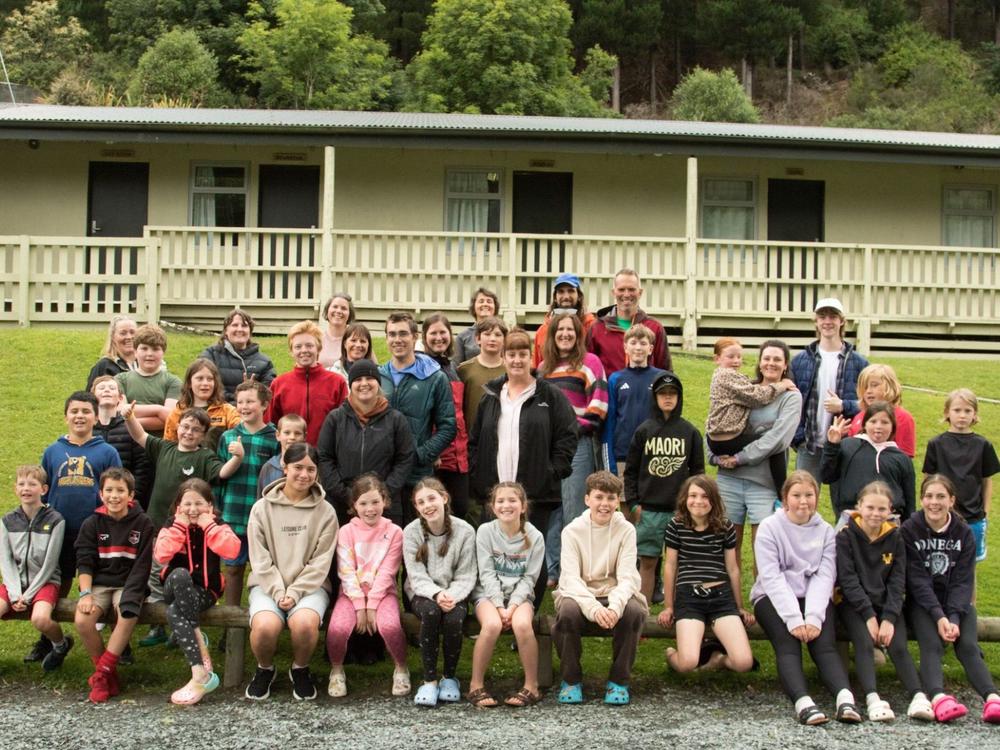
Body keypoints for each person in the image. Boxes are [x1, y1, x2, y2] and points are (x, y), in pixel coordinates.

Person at [468, 328, 578, 605]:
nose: (517, 360)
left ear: (532, 358)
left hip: (536, 493)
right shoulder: (491, 395)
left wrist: (552, 472)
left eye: (522, 354)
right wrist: (477, 473)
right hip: (495, 493)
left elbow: (567, 436)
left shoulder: (550, 396)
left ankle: (527, 611)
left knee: (531, 558)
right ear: (504, 358)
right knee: (494, 556)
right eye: (511, 354)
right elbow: (475, 440)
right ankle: (495, 607)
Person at [124, 403, 242, 647]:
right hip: (159, 523)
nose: (189, 432)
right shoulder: (164, 448)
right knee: (156, 573)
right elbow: (139, 435)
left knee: (185, 573)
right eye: (185, 427)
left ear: (203, 434)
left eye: (195, 429)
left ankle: (180, 626)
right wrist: (129, 417)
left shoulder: (204, 456)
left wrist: (237, 457)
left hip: (190, 531)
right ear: (177, 427)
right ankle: (158, 625)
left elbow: (223, 473)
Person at [751, 470, 861, 725]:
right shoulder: (769, 528)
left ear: (817, 497)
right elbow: (771, 576)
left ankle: (845, 699)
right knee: (787, 645)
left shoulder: (825, 531)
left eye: (809, 495)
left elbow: (824, 576)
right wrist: (793, 619)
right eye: (796, 495)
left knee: (824, 644)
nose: (803, 501)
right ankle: (803, 703)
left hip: (812, 596)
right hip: (772, 596)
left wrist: (812, 617)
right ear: (785, 499)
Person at [902, 475, 1000, 724]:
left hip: (957, 603)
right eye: (929, 496)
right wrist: (939, 616)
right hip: (923, 603)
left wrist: (954, 617)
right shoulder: (910, 529)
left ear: (952, 500)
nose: (934, 502)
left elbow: (963, 581)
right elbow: (916, 580)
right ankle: (938, 697)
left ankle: (992, 698)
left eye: (941, 496)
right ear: (922, 499)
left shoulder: (964, 532)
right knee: (931, 645)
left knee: (968, 647)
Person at [244, 443, 339, 701]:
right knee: (265, 627)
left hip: (310, 586)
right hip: (267, 585)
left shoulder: (326, 512)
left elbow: (321, 561)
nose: (304, 475)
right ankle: (265, 669)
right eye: (298, 467)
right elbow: (259, 558)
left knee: (305, 625)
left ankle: (300, 669)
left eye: (311, 469)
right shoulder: (261, 508)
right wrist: (278, 591)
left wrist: (295, 592)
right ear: (284, 467)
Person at [835, 481, 929, 722]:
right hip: (854, 604)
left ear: (890, 510)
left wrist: (888, 618)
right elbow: (848, 580)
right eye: (870, 508)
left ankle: (918, 696)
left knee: (898, 646)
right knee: (864, 643)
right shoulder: (846, 536)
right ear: (859, 507)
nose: (875, 514)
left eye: (881, 509)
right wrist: (868, 615)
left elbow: (898, 581)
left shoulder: (896, 537)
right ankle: (872, 697)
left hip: (887, 604)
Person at [553, 471, 647, 706]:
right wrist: (594, 608)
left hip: (614, 592)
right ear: (587, 499)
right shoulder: (572, 531)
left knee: (634, 611)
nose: (605, 504)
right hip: (579, 593)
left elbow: (627, 577)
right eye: (599, 497)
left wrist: (614, 607)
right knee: (567, 613)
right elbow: (570, 579)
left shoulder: (626, 530)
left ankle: (619, 680)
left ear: (617, 502)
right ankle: (571, 680)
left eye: (611, 498)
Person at [712, 340, 803, 567]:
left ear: (785, 365)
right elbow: (715, 420)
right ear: (760, 362)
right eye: (767, 358)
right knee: (728, 548)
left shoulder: (791, 396)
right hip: (729, 479)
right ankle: (730, 592)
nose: (771, 363)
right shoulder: (745, 389)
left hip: (763, 483)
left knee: (764, 551)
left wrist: (740, 458)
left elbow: (778, 439)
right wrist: (714, 457)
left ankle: (763, 592)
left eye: (777, 359)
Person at [153, 479, 240, 705]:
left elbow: (232, 550)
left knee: (174, 612)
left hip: (205, 591)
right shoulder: (171, 525)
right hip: (174, 587)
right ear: (178, 507)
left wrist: (209, 526)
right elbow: (161, 555)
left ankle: (199, 673)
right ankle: (199, 640)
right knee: (181, 574)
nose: (193, 510)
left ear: (209, 506)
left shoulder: (217, 525)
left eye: (199, 504)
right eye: (187, 504)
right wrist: (179, 528)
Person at [657, 475, 755, 674]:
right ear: (685, 498)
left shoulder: (725, 526)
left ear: (714, 500)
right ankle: (671, 655)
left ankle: (718, 660)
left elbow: (732, 568)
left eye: (705, 496)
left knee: (744, 663)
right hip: (689, 597)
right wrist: (669, 606)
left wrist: (739, 607)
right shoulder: (676, 526)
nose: (698, 501)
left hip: (721, 597)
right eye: (693, 495)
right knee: (687, 663)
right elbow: (670, 566)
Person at [538, 313, 608, 585]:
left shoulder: (590, 362)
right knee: (551, 507)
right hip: (547, 447)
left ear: (578, 335)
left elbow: (598, 405)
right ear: (552, 335)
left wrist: (569, 431)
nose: (565, 334)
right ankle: (552, 569)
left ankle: (575, 570)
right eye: (560, 330)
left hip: (577, 444)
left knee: (574, 507)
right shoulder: (543, 369)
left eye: (570, 330)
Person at [74, 468, 154, 703]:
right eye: (109, 490)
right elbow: (84, 562)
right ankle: (108, 673)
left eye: (120, 490)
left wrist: (131, 595)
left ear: (131, 495)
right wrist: (85, 593)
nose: (114, 496)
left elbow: (142, 567)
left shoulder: (143, 523)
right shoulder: (92, 523)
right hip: (99, 584)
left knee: (126, 612)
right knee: (82, 620)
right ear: (101, 494)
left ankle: (101, 674)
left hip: (128, 584)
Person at [326, 475, 409, 699]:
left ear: (385, 501)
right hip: (350, 594)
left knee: (390, 627)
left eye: (375, 502)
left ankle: (401, 668)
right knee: (337, 629)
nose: (370, 509)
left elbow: (388, 571)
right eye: (363, 503)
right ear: (354, 505)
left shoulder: (395, 532)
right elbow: (346, 570)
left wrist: (371, 604)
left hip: (383, 594)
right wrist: (359, 605)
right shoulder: (346, 532)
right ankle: (336, 670)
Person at [624, 371, 704, 603]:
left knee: (677, 562)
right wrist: (634, 504)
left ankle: (677, 611)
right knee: (648, 562)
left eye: (672, 394)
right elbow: (630, 471)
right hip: (648, 511)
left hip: (680, 511)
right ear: (655, 398)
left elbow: (698, 473)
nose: (668, 398)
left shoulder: (690, 432)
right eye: (663, 394)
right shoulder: (644, 431)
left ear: (679, 397)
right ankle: (643, 611)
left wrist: (691, 507)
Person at [467, 482, 545, 708]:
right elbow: (486, 573)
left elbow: (529, 578)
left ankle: (531, 686)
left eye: (512, 500)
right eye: (500, 501)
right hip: (488, 595)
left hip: (520, 597)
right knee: (492, 624)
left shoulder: (535, 536)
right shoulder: (485, 532)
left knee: (522, 624)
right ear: (493, 507)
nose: (506, 505)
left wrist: (513, 606)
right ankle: (476, 685)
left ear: (523, 506)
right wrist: (500, 606)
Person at [403, 478, 476, 708]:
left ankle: (449, 678)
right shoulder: (411, 532)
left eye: (432, 498)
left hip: (456, 592)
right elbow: (415, 575)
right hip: (422, 592)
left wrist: (451, 596)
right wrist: (436, 594)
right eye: (421, 502)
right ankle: (429, 680)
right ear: (417, 507)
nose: (428, 505)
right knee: (432, 613)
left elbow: (466, 574)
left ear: (444, 498)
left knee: (454, 619)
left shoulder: (465, 531)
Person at [41, 391, 122, 599]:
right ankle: (52, 614)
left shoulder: (108, 452)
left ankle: (93, 610)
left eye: (86, 411)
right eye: (74, 411)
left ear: (96, 418)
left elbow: (116, 488)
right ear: (66, 417)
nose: (79, 416)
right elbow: (44, 490)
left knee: (94, 575)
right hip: (60, 527)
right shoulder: (52, 451)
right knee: (60, 578)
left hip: (95, 527)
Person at [379, 312, 457, 527]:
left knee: (420, 536)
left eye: (403, 334)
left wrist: (421, 455)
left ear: (415, 337)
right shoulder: (378, 377)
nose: (397, 339)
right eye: (392, 334)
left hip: (418, 475)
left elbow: (448, 426)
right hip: (385, 473)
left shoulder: (435, 378)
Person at [317, 359, 415, 521]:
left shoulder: (396, 419)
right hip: (343, 506)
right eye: (358, 379)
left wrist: (381, 494)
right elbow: (324, 458)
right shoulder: (335, 419)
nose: (364, 383)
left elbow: (405, 459)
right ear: (351, 385)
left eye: (369, 378)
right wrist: (347, 495)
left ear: (378, 383)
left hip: (385, 506)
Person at [0, 465, 72, 671]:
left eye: (32, 484)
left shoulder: (55, 520)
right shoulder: (7, 521)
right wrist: (15, 593)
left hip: (45, 582)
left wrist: (28, 595)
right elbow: (5, 561)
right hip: (14, 583)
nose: (26, 488)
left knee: (40, 619)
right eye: (21, 484)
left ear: (44, 489)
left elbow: (50, 564)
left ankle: (60, 645)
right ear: (15, 489)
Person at [216, 381, 280, 614]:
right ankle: (231, 621)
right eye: (240, 402)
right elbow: (218, 477)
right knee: (233, 568)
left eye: (250, 401)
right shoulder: (228, 437)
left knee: (264, 569)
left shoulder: (274, 438)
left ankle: (264, 614)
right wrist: (217, 511)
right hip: (233, 512)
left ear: (264, 404)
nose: (244, 406)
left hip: (263, 516)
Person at [922, 388, 998, 583]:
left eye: (967, 411)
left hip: (973, 517)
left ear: (975, 414)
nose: (962, 415)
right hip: (942, 516)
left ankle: (968, 602)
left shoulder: (983, 445)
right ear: (947, 412)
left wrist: (985, 511)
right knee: (938, 565)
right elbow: (928, 480)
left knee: (968, 570)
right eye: (957, 410)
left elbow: (987, 480)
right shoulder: (936, 444)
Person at [790, 297, 868, 481]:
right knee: (804, 494)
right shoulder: (800, 361)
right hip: (809, 444)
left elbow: (871, 404)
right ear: (816, 322)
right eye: (822, 317)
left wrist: (844, 405)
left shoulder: (859, 363)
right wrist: (798, 437)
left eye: (833, 316)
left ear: (841, 321)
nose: (827, 321)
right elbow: (791, 401)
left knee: (845, 497)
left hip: (845, 444)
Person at [706, 337, 795, 493]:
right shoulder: (726, 376)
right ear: (717, 359)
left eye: (739, 356)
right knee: (776, 447)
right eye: (731, 356)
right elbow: (758, 396)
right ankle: (782, 494)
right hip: (726, 441)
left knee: (775, 443)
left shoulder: (727, 377)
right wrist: (782, 384)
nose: (736, 361)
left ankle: (782, 493)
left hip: (719, 440)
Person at [822, 402, 915, 520]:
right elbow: (826, 476)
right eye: (873, 421)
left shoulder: (901, 458)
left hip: (889, 520)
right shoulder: (848, 446)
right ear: (865, 424)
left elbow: (909, 501)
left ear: (893, 427)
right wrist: (832, 446)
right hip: (852, 516)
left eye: (885, 422)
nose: (878, 426)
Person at [266, 320, 348, 446]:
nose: (304, 350)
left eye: (309, 345)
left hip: (326, 454)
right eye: (298, 347)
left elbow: (344, 423)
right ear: (291, 351)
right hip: (290, 454)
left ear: (318, 348)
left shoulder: (337, 382)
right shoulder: (279, 384)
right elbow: (271, 425)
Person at [421, 313, 470, 521]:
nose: (439, 337)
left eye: (443, 332)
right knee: (436, 511)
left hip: (459, 454)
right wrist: (433, 450)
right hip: (437, 455)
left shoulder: (453, 368)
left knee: (460, 508)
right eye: (433, 333)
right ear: (425, 337)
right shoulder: (422, 367)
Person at [602, 324, 664, 474]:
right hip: (623, 455)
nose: (638, 348)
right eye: (633, 343)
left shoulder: (660, 378)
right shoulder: (615, 379)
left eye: (643, 343)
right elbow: (609, 422)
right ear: (625, 348)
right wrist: (610, 464)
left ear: (650, 349)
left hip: (654, 455)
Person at [586, 268, 670, 376]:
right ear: (613, 292)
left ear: (640, 292)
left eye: (631, 289)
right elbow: (588, 369)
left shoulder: (655, 328)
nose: (626, 294)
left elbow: (665, 372)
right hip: (610, 387)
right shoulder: (597, 328)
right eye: (621, 289)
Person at [91, 375, 152, 511]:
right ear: (93, 397)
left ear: (120, 398)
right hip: (93, 501)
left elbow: (142, 466)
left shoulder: (131, 427)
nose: (107, 390)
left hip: (124, 501)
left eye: (112, 388)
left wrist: (132, 496)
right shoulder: (87, 430)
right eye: (102, 388)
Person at [114, 323, 181, 436]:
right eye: (144, 348)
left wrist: (130, 420)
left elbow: (170, 418)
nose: (149, 354)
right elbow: (120, 411)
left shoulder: (173, 382)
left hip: (160, 442)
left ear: (163, 353)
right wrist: (158, 410)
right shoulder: (120, 379)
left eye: (155, 349)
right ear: (135, 352)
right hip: (126, 440)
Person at [198, 309, 276, 404]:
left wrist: (252, 391)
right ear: (226, 330)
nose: (239, 329)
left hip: (250, 412)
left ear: (250, 331)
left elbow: (268, 395)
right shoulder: (210, 355)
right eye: (235, 325)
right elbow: (203, 386)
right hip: (217, 409)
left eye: (244, 326)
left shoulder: (264, 363)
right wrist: (239, 398)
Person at [163, 358, 239, 445]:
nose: (205, 383)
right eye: (200, 378)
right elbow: (167, 446)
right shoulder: (177, 413)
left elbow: (242, 432)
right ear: (189, 383)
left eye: (210, 379)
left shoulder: (227, 411)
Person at [846, 364, 916, 458]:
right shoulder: (859, 416)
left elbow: (905, 458)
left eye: (874, 385)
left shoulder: (902, 418)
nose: (868, 391)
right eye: (865, 387)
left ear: (890, 386)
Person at [532, 273, 596, 368]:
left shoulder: (591, 327)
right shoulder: (542, 331)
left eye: (571, 291)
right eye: (561, 291)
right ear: (555, 297)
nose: (566, 296)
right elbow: (537, 368)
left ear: (579, 296)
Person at [456, 316, 507, 436]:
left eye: (498, 335)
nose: (492, 339)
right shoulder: (463, 370)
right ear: (478, 339)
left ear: (505, 340)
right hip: (471, 438)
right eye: (487, 334)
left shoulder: (511, 371)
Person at [257, 413, 307, 498]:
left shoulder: (309, 468)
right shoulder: (269, 467)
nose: (292, 437)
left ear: (305, 437)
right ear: (278, 435)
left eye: (297, 433)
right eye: (287, 433)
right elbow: (261, 498)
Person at [86, 315, 138, 390]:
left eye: (132, 332)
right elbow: (90, 395)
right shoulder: (104, 366)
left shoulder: (146, 364)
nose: (129, 337)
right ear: (113, 337)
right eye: (123, 333)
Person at [453, 286, 500, 366]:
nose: (485, 304)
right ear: (474, 306)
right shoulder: (462, 337)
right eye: (481, 301)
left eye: (489, 301)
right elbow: (455, 366)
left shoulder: (504, 334)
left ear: (495, 307)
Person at [318, 293, 357, 370]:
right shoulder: (317, 339)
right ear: (327, 310)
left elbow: (374, 369)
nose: (339, 311)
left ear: (350, 314)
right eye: (335, 307)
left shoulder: (358, 338)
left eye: (343, 308)